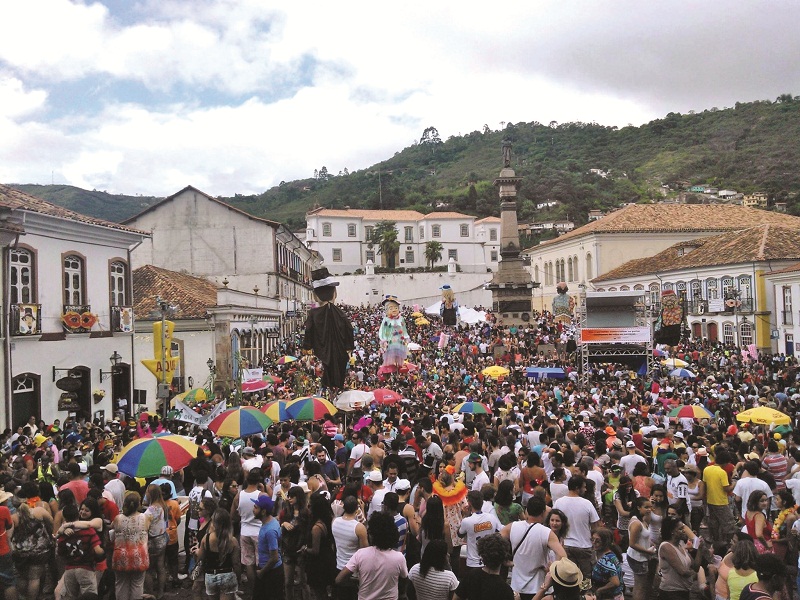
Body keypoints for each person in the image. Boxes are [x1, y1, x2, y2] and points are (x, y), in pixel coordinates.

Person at [501, 496, 566, 598]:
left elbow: (495, 542)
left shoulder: (512, 527)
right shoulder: (547, 533)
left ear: (526, 510)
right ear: (543, 512)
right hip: (539, 587)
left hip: (517, 586)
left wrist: (505, 560)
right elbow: (562, 555)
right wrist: (551, 568)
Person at [302, 267, 355, 392]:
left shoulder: (314, 314)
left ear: (315, 296)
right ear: (334, 294)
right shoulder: (340, 314)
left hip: (322, 351)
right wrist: (349, 348)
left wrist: (307, 347)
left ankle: (329, 386)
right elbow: (349, 330)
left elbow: (309, 331)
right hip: (340, 353)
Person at [335, 511, 408, 600]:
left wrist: (358, 582)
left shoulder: (361, 554)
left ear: (371, 535)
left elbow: (339, 579)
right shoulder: (399, 558)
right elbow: (404, 578)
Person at [553, 475, 600, 580]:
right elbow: (595, 526)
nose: (585, 489)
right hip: (584, 546)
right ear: (577, 488)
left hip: (565, 546)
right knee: (586, 578)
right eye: (583, 487)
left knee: (568, 578)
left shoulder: (559, 503)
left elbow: (553, 523)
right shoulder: (587, 504)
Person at [57, 502, 105, 600]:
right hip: (86, 568)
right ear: (78, 514)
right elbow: (98, 550)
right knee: (89, 596)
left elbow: (60, 553)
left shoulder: (63, 534)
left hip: (69, 569)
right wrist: (105, 552)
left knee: (70, 596)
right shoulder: (89, 531)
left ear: (64, 517)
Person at [11, 492, 54, 600]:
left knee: (22, 577)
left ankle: (23, 597)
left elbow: (9, 535)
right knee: (34, 578)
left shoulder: (13, 518)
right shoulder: (39, 511)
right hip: (39, 550)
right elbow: (51, 523)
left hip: (20, 552)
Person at [112, 492, 152, 600]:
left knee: (120, 584)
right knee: (138, 585)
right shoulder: (145, 518)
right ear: (138, 504)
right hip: (139, 556)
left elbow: (112, 529)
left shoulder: (118, 519)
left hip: (120, 556)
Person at [452, 533, 514, 600]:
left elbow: (456, 598)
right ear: (503, 557)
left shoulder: (471, 575)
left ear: (482, 554)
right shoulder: (506, 590)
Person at [657, 516, 703, 600]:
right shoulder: (666, 547)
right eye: (680, 529)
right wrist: (700, 576)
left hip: (684, 591)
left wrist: (700, 549)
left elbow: (696, 567)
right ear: (672, 532)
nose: (684, 531)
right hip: (671, 593)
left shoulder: (681, 546)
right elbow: (683, 572)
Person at [332, 496, 368, 600]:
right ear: (357, 510)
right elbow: (364, 551)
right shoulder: (359, 527)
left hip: (339, 566)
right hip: (354, 571)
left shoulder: (335, 521)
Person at [197, 509, 239, 600]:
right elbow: (236, 563)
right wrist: (238, 577)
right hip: (228, 575)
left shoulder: (206, 539)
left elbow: (200, 559)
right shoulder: (233, 541)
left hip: (211, 575)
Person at [304, 491, 337, 600]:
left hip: (318, 564)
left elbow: (315, 550)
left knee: (319, 592)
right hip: (328, 558)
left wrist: (304, 549)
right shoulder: (328, 521)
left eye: (310, 506)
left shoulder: (316, 528)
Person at [252, 495, 283, 600]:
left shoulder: (270, 530)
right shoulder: (270, 522)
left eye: (256, 507)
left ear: (263, 511)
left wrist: (262, 572)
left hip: (270, 573)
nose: (253, 510)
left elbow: (274, 558)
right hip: (267, 570)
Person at [626, 498, 655, 600]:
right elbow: (632, 543)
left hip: (641, 556)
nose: (649, 509)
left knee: (641, 585)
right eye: (646, 507)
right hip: (638, 558)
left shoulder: (641, 518)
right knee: (640, 586)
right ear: (638, 507)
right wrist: (648, 551)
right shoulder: (636, 523)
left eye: (650, 507)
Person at [144, 483, 169, 600]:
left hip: (152, 541)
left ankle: (150, 593)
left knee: (148, 569)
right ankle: (161, 591)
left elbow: (144, 526)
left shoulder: (149, 511)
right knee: (161, 566)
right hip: (162, 538)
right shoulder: (162, 506)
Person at [591, 528, 623, 600]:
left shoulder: (605, 561)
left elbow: (615, 582)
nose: (593, 543)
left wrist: (599, 590)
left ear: (605, 542)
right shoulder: (611, 554)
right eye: (592, 539)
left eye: (598, 541)